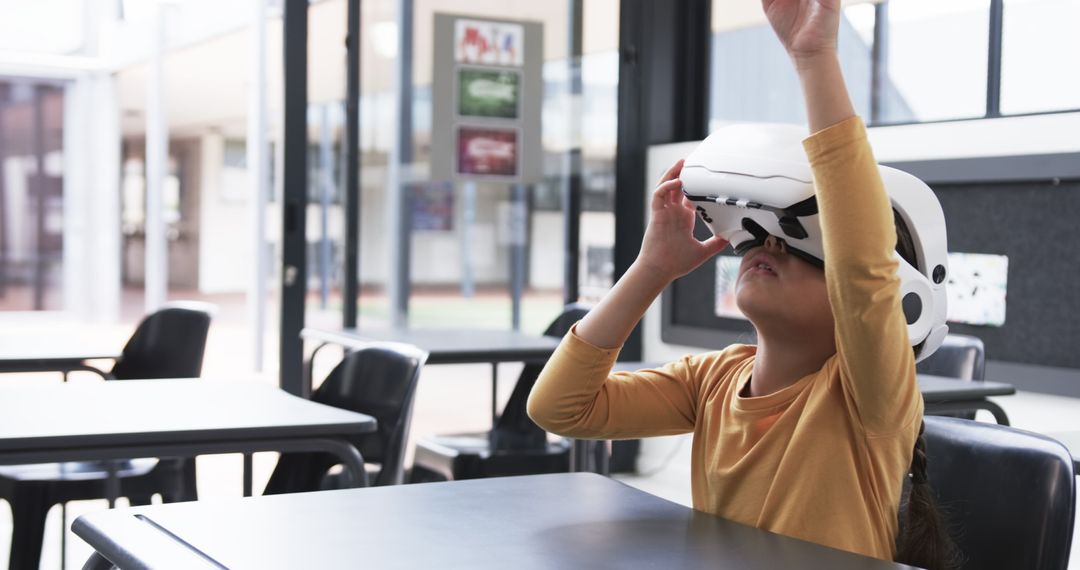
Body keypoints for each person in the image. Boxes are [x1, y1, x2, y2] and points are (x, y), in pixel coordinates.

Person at [526, 0, 960, 568]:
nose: (766, 247)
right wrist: (652, 268)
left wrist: (815, 59)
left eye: (800, 246)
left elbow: (863, 260)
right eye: (756, 238)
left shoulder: (865, 398)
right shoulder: (712, 380)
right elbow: (560, 408)